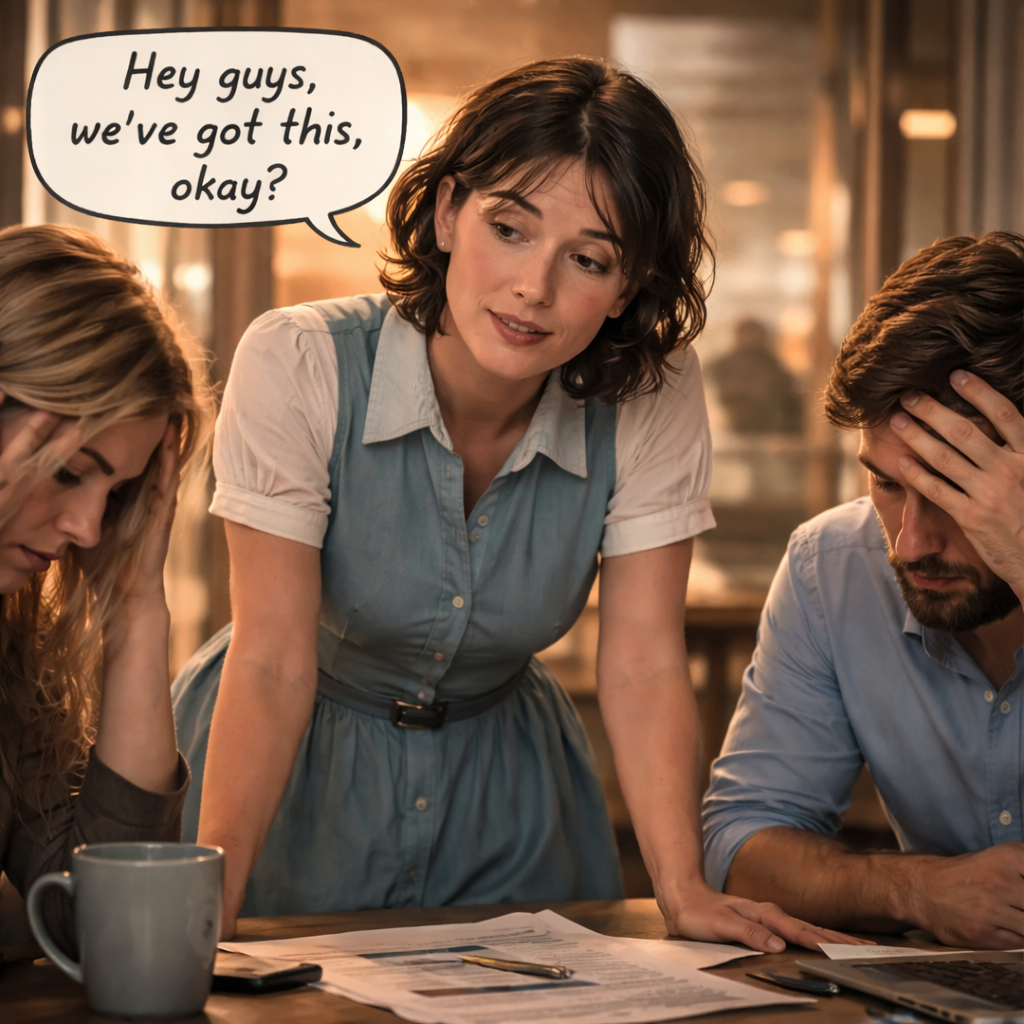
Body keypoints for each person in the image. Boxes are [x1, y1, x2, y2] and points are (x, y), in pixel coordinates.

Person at [173, 57, 842, 951]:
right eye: (510, 229)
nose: (535, 287)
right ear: (448, 212)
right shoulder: (298, 361)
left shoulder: (652, 391)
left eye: (589, 259)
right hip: (284, 768)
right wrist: (216, 892)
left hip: (512, 787)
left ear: (633, 283)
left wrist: (680, 889)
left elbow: (641, 660)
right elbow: (273, 659)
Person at [702, 231, 1024, 949]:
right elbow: (741, 846)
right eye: (885, 482)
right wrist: (920, 891)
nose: (910, 543)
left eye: (956, 490)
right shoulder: (832, 567)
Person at [0, 224, 211, 952]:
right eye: (67, 471)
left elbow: (100, 930)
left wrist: (138, 606)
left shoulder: (12, 655)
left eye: (116, 493)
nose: (89, 529)